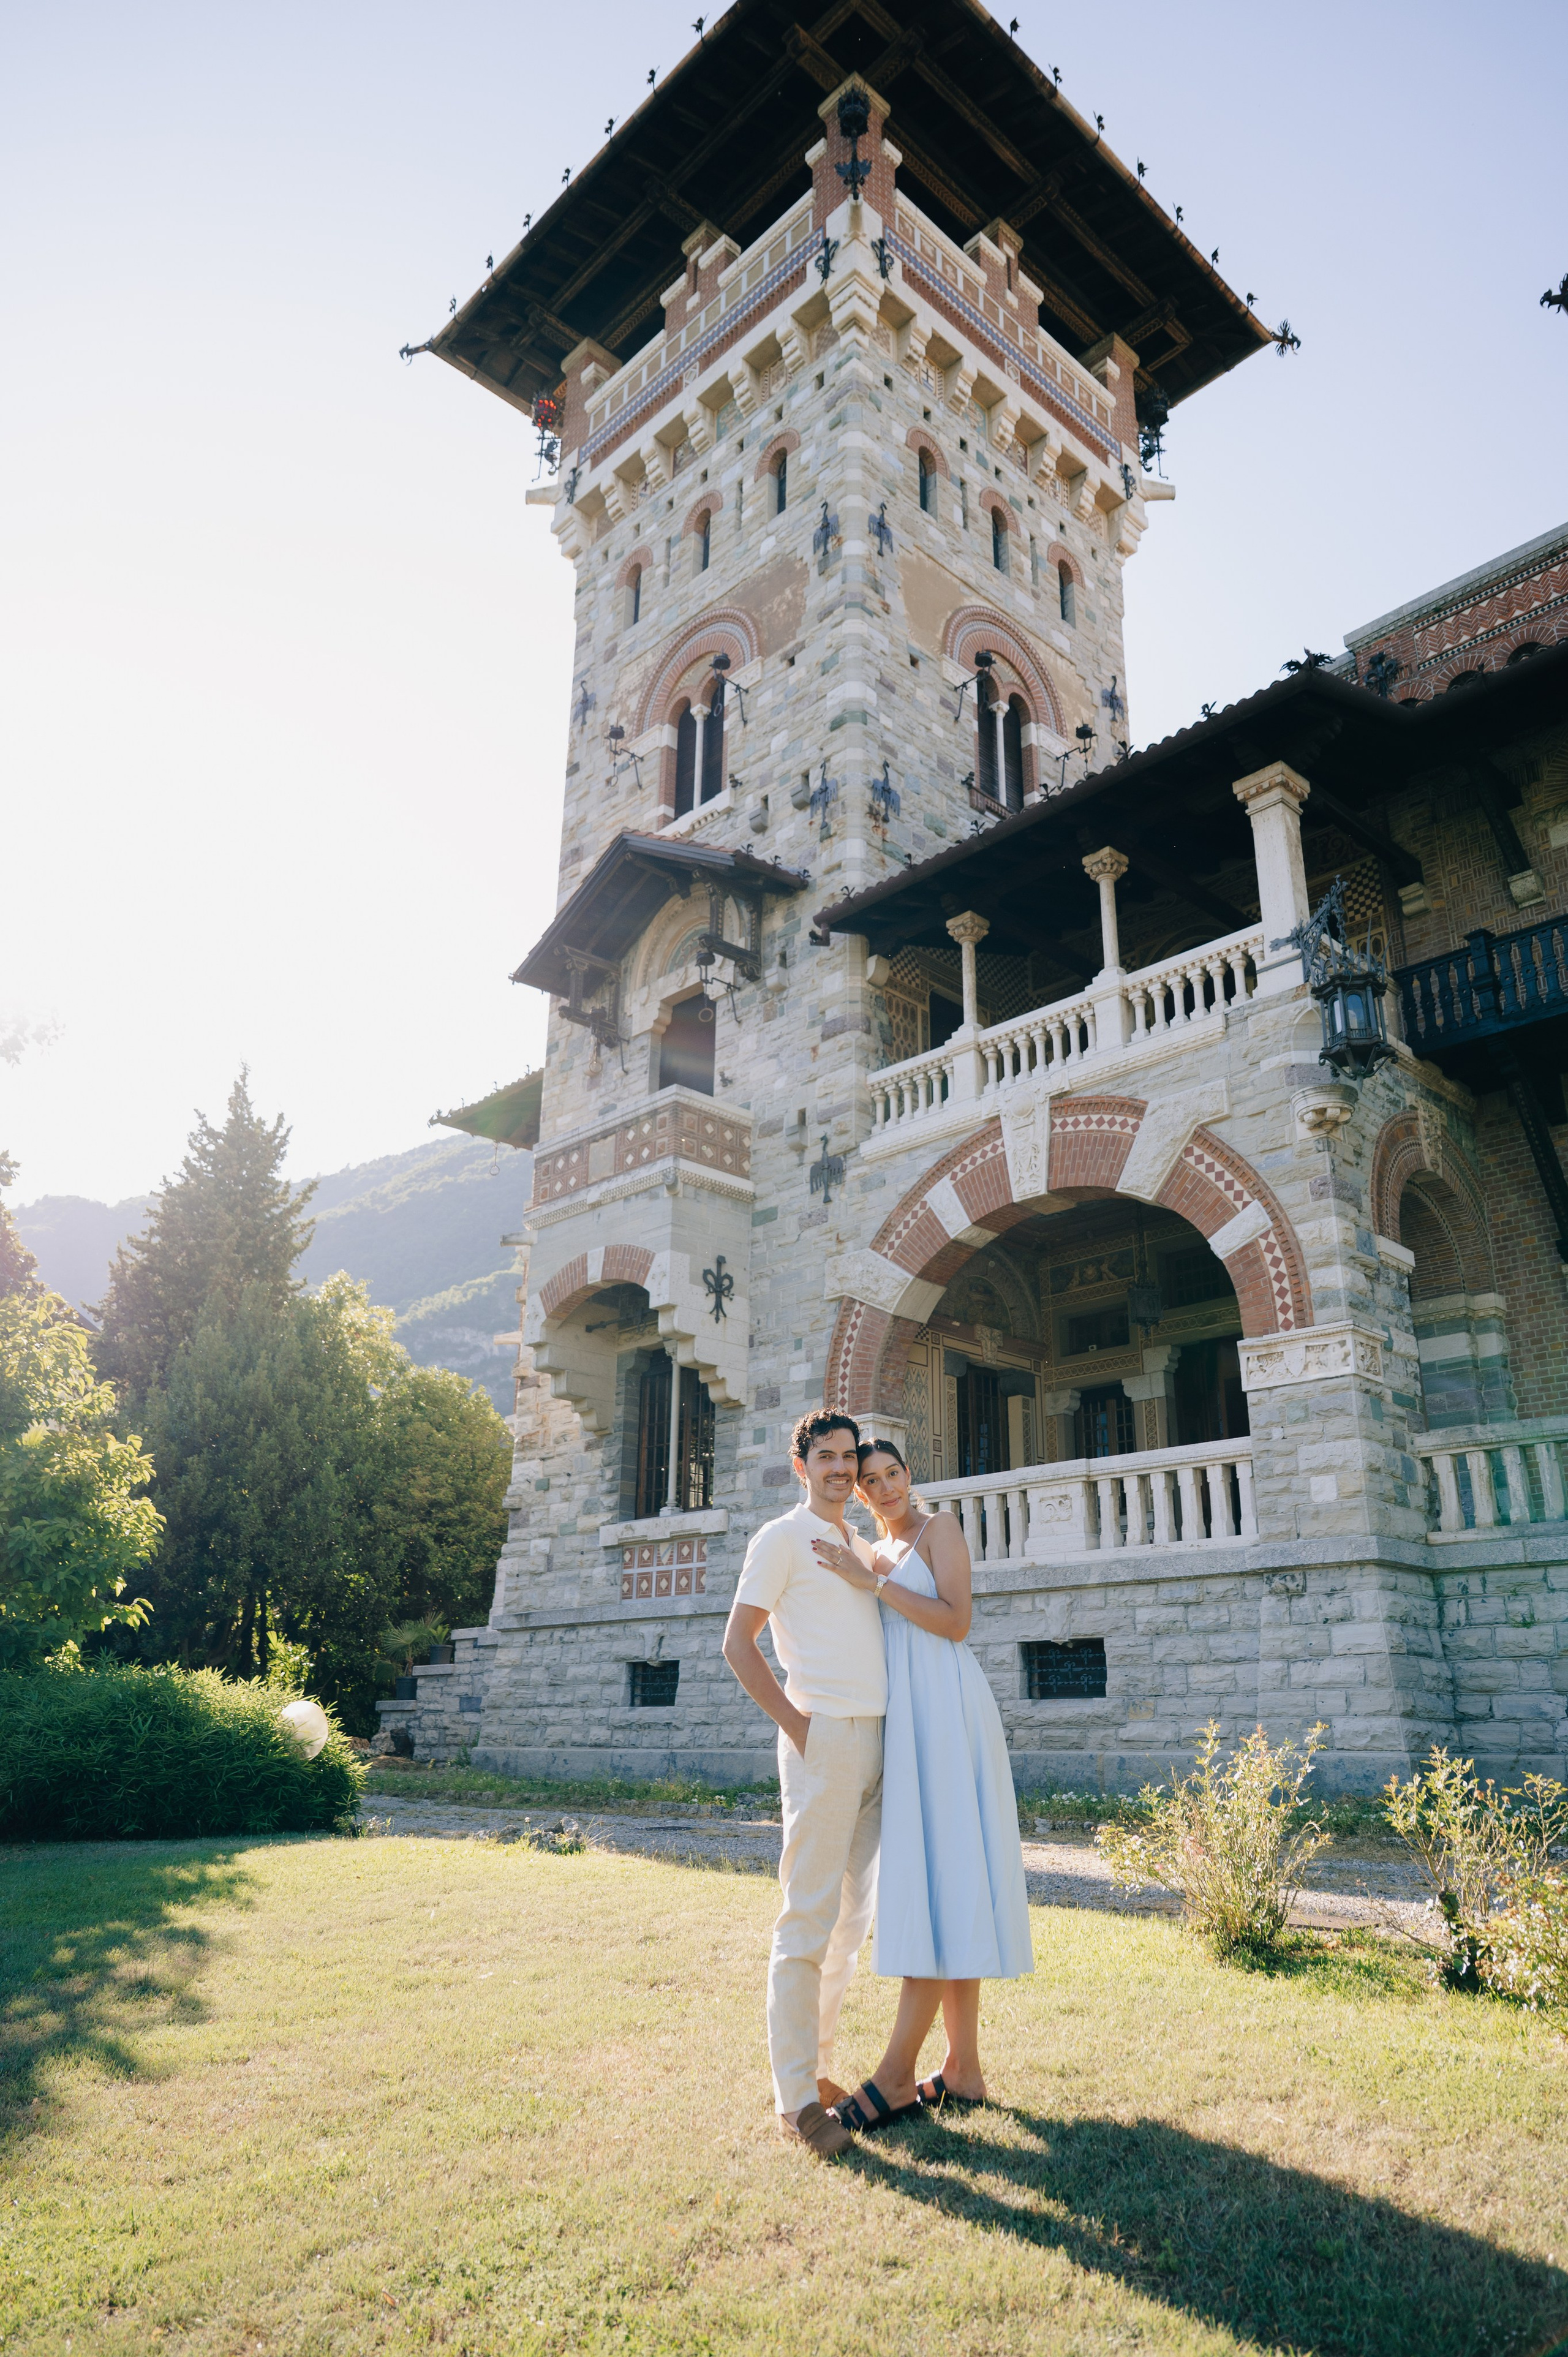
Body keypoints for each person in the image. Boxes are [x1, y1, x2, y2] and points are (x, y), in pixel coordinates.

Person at [809, 1438, 1032, 2127]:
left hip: (949, 1710)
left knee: (945, 1874)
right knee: (943, 1875)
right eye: (869, 1480)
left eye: (891, 1474)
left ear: (910, 1475)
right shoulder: (869, 1552)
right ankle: (962, 2070)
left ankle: (895, 2077)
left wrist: (871, 1582)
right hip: (904, 1717)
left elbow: (956, 1622)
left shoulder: (939, 1531)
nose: (882, 1487)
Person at [722, 1408, 887, 2160]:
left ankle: (819, 2070)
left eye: (849, 1456)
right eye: (826, 1456)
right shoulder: (781, 1537)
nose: (841, 1468)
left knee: (850, 1924)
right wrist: (798, 1725)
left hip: (879, 1740)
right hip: (823, 1739)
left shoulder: (857, 1541)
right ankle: (794, 2100)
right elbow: (739, 1642)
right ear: (802, 1466)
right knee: (807, 1918)